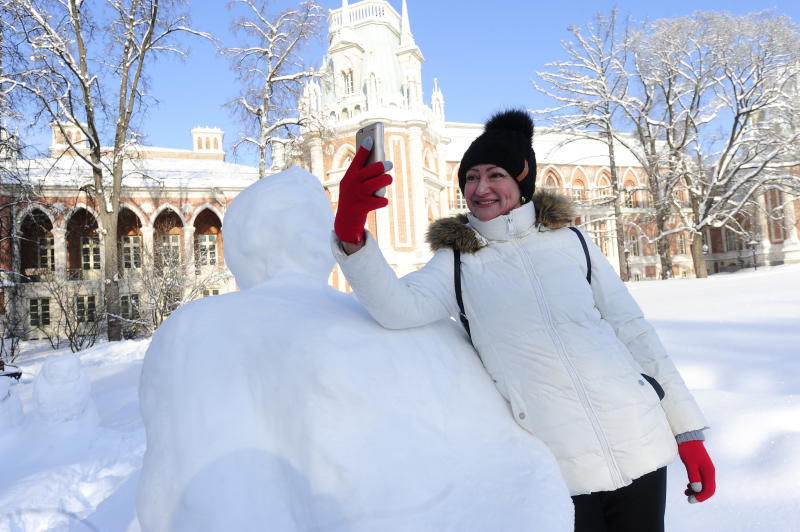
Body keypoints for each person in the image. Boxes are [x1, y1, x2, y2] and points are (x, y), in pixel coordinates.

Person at [331, 109, 715, 532]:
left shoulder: (574, 242)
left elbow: (634, 332)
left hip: (640, 441)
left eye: (495, 174)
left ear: (522, 178)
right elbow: (396, 309)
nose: (480, 188)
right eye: (471, 177)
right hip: (558, 467)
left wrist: (688, 432)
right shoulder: (457, 263)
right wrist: (351, 230)